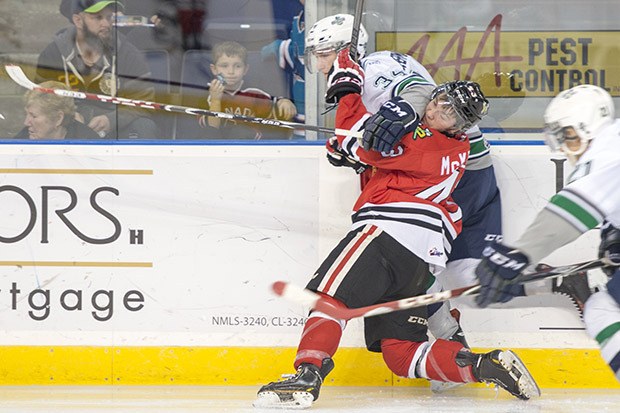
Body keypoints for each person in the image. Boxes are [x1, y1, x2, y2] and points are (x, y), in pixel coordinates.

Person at [253, 45, 539, 409]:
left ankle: (306, 377)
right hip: (422, 257)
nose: (436, 109)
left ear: (461, 125)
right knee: (401, 353)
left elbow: (355, 139)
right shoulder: (456, 148)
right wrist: (357, 157)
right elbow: (375, 156)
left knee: (328, 300)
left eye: (450, 112)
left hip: (387, 234)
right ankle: (484, 366)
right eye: (438, 101)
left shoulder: (424, 142)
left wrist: (347, 84)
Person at [473, 84, 620, 380]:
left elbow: (570, 211)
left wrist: (518, 255)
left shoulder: (608, 149)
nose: (565, 147)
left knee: (602, 310)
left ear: (588, 127)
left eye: (568, 135)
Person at [38, 0, 159, 139]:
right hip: (67, 129)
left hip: (114, 132)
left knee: (144, 126)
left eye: (109, 17)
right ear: (78, 21)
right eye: (98, 18)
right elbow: (39, 100)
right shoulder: (53, 54)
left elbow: (144, 102)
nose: (106, 24)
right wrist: (67, 115)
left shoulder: (128, 53)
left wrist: (112, 120)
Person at [197, 40, 297, 140]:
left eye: (237, 66)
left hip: (252, 147)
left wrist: (284, 101)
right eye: (224, 66)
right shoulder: (205, 95)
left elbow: (280, 114)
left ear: (245, 69)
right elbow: (212, 128)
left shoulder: (255, 94)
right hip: (219, 149)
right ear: (214, 69)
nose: (231, 71)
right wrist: (215, 100)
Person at [261, 0, 306, 129]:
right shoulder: (299, 19)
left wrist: (276, 47)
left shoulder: (325, 17)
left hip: (322, 113)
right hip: (299, 113)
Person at [14, 80, 101, 140]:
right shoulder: (21, 140)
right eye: (27, 114)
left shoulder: (87, 143)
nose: (26, 122)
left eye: (34, 116)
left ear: (58, 118)